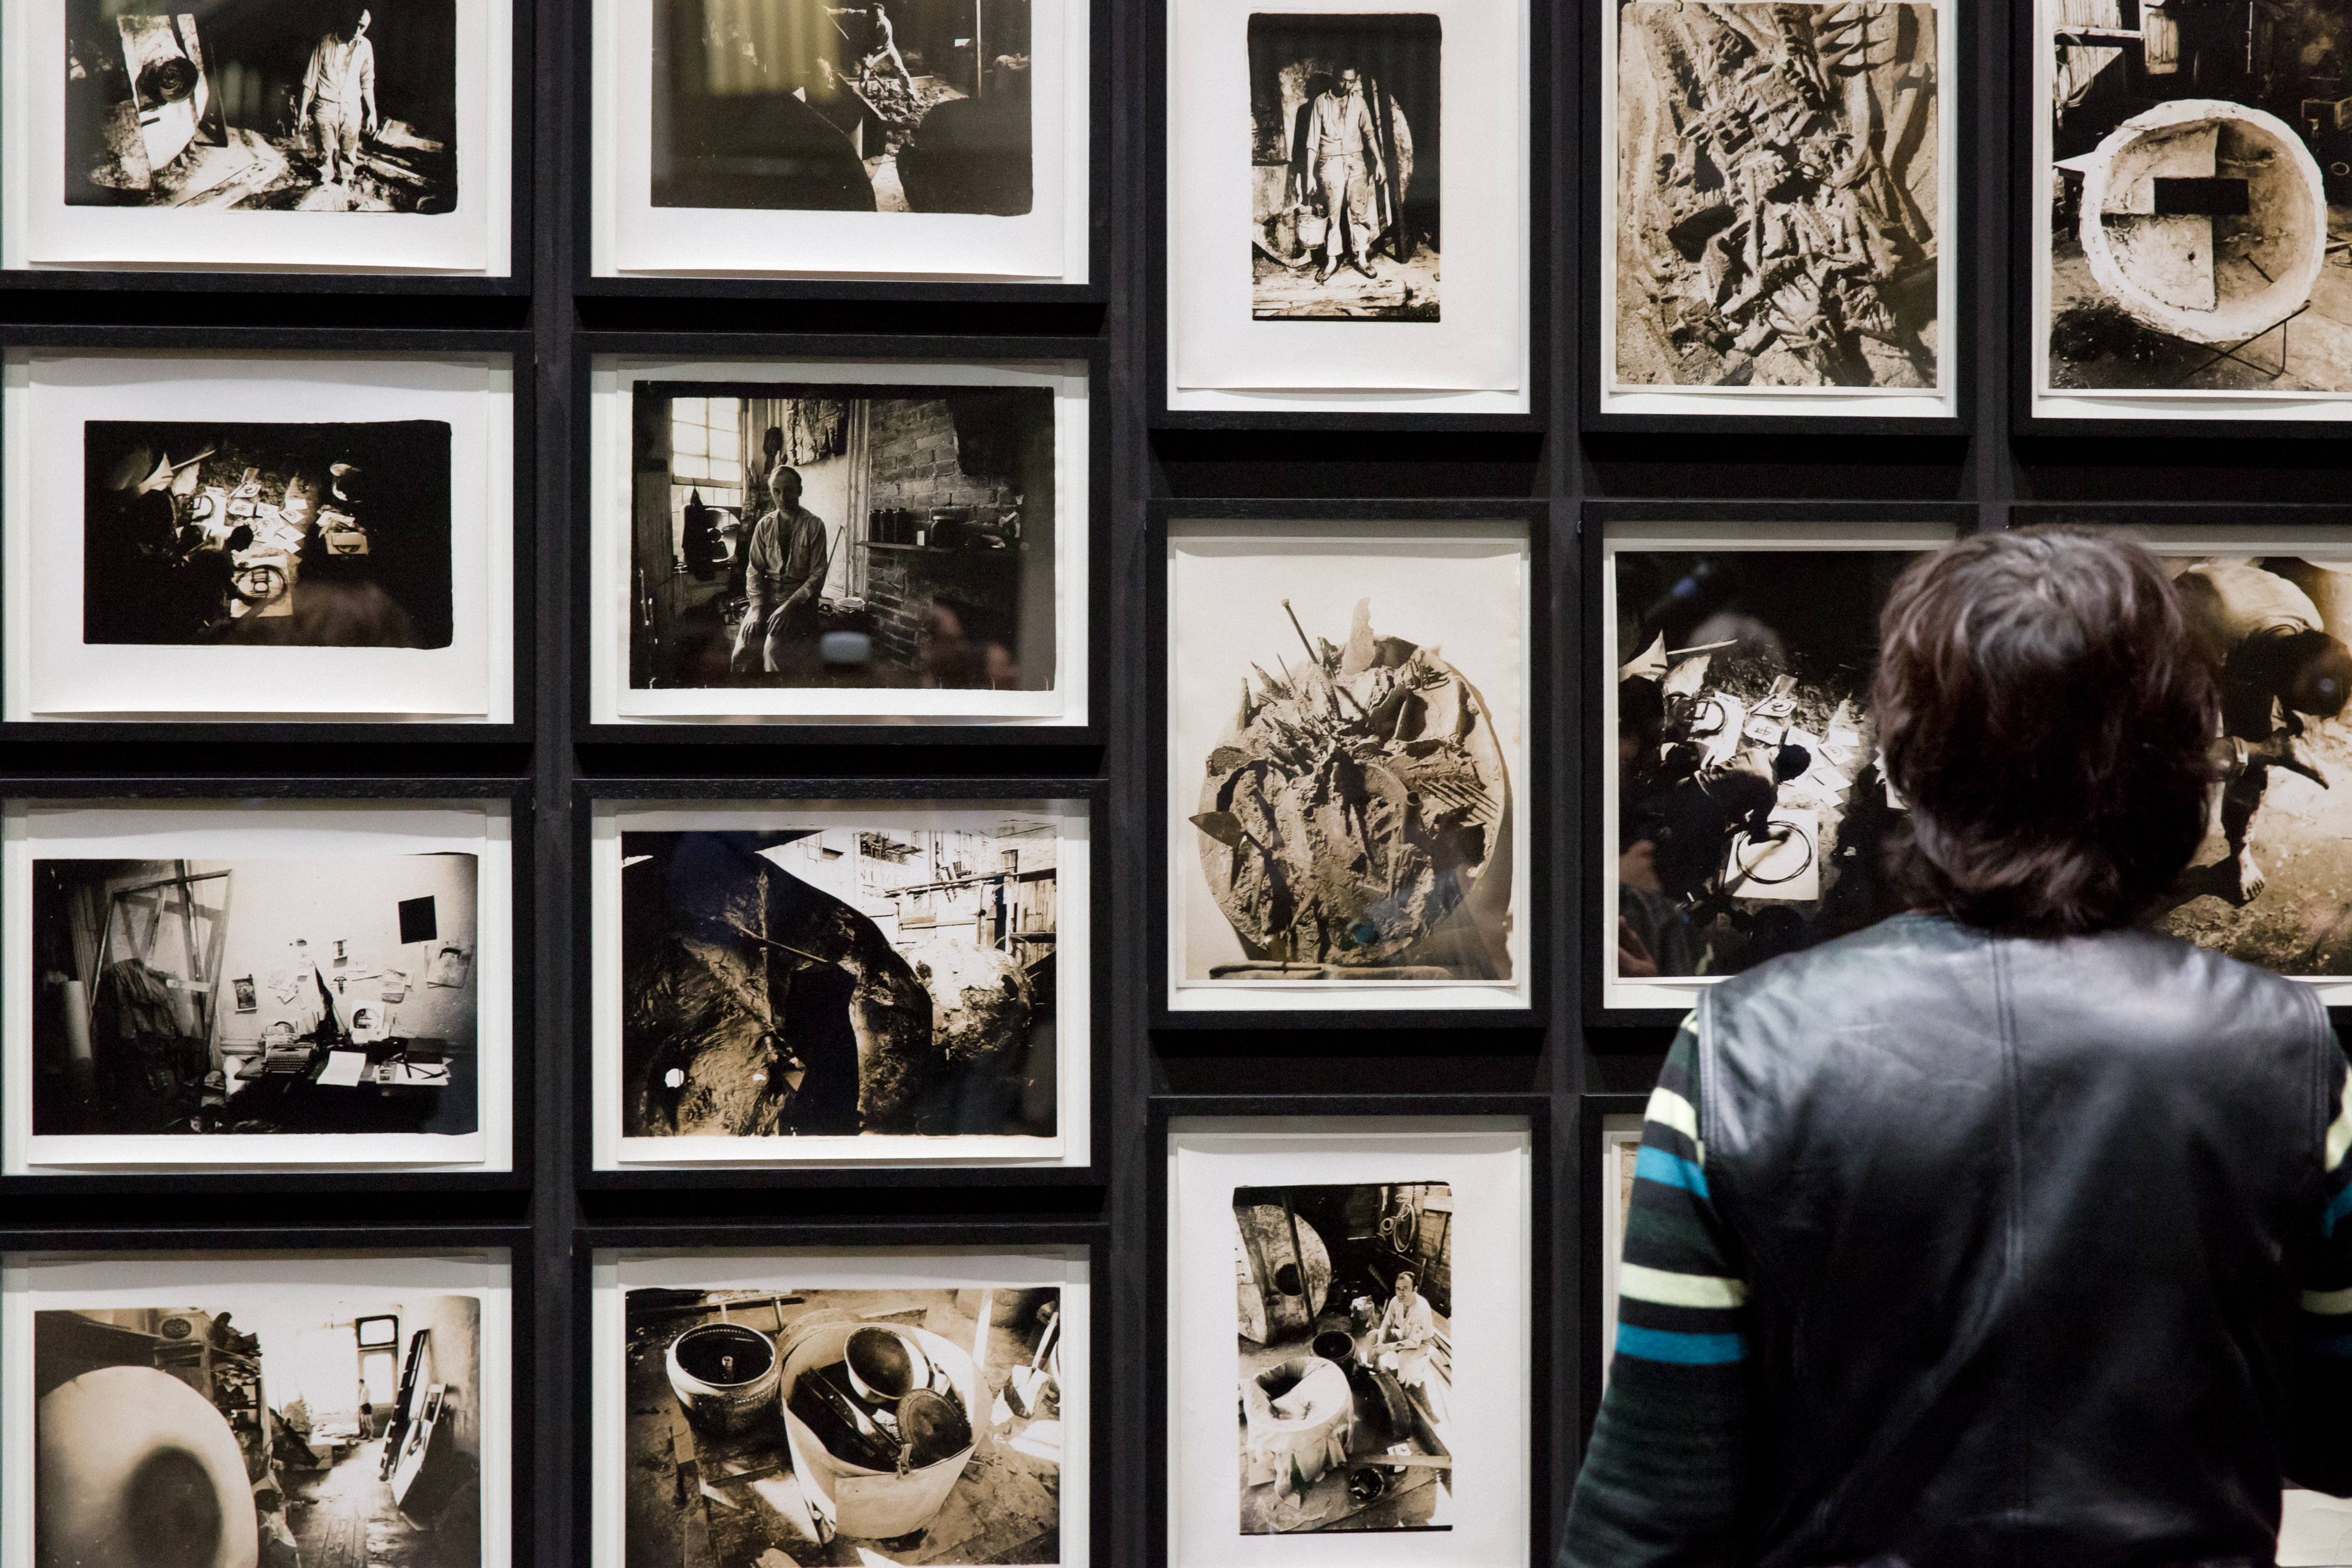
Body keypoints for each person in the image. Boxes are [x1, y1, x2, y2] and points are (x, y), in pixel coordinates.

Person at [1564, 527, 2352, 1566]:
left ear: (1910, 761)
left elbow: (1651, 1516)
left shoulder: (1739, 1055)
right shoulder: (2286, 1052)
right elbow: (2334, 1427)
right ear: (2175, 757)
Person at [2173, 559, 2348, 902]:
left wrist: (2269, 739)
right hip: (2185, 619)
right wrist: (2261, 751)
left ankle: (2238, 853)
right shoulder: (2204, 648)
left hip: (2233, 611)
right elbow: (2175, 759)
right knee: (2169, 761)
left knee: (2254, 756)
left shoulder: (2306, 622)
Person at [731, 465, 831, 678]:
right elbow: (754, 571)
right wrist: (757, 608)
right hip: (767, 599)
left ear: (800, 491)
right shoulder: (764, 525)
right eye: (776, 491)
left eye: (788, 490)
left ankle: (779, 706)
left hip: (799, 604)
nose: (782, 497)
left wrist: (790, 606)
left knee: (773, 651)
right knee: (741, 652)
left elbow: (817, 576)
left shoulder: (814, 526)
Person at [1303, 67, 1386, 283]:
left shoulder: (1358, 101)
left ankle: (1362, 258)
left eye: (1351, 82)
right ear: (1335, 78)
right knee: (1333, 215)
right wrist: (1310, 174)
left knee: (1360, 211)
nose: (1346, 86)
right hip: (1330, 162)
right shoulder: (1320, 102)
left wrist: (1379, 162)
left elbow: (1369, 133)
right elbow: (1312, 142)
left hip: (1355, 162)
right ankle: (1332, 260)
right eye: (1342, 81)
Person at [299, 9, 378, 188]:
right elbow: (310, 80)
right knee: (325, 150)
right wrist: (303, 112)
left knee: (349, 149)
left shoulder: (365, 46)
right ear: (348, 20)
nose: (358, 30)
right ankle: (326, 180)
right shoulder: (325, 42)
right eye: (356, 24)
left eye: (363, 27)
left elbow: (367, 82)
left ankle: (345, 181)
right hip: (326, 106)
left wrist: (372, 112)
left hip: (352, 107)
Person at [1371, 1270, 1447, 1427]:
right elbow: (1386, 1323)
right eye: (1398, 1288)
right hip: (1404, 1335)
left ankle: (1401, 1387)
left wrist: (1387, 1347)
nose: (1401, 1292)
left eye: (1405, 1288)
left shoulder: (1422, 1308)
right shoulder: (1395, 1301)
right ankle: (1377, 1371)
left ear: (1415, 1289)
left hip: (1421, 1343)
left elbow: (1413, 1343)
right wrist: (1380, 1342)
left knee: (1403, 1357)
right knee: (1372, 1335)